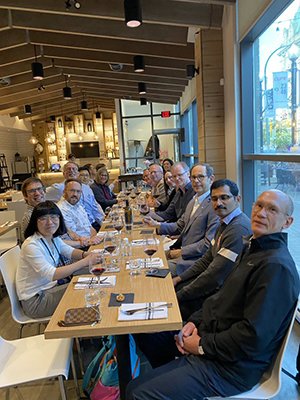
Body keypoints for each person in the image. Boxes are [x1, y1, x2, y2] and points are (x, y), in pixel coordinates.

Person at [127, 189, 299, 400]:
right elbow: (220, 298)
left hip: (230, 368)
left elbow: (251, 339)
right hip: (211, 342)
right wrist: (194, 322)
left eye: (272, 210)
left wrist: (200, 346)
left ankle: (176, 380)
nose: (261, 213)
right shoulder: (251, 248)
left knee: (136, 392)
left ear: (287, 222)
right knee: (145, 329)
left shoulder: (275, 267)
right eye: (259, 206)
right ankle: (175, 379)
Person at [174, 179, 251, 320]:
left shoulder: (238, 229)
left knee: (174, 306)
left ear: (237, 199)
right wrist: (180, 278)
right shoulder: (223, 222)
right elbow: (207, 259)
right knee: (176, 287)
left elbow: (215, 276)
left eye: (224, 197)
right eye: (214, 199)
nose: (218, 203)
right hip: (216, 286)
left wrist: (180, 295)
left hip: (224, 296)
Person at [16, 201, 102, 319]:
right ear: (35, 222)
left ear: (59, 219)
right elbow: (51, 274)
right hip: (36, 301)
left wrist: (88, 255)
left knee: (91, 281)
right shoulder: (31, 245)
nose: (49, 222)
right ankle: (88, 333)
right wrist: (85, 261)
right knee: (87, 290)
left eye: (53, 217)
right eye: (43, 218)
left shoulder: (52, 237)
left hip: (50, 290)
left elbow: (69, 251)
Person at [144, 163, 219, 276]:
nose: (196, 181)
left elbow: (208, 244)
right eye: (193, 177)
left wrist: (181, 252)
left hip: (195, 261)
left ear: (211, 179)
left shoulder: (214, 206)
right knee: (146, 263)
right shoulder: (193, 201)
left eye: (200, 177)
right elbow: (179, 226)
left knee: (152, 271)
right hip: (183, 253)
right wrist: (156, 225)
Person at [46, 161, 103, 230]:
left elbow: (94, 207)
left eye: (74, 169)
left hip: (92, 224)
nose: (71, 171)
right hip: (76, 227)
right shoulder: (57, 188)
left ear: (78, 173)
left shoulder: (87, 188)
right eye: (68, 169)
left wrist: (102, 222)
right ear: (64, 174)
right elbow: (40, 194)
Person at [57, 179, 103, 247]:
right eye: (72, 191)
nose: (75, 194)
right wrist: (91, 240)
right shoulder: (61, 209)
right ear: (64, 192)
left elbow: (90, 228)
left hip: (91, 243)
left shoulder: (79, 206)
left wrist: (97, 238)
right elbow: (73, 237)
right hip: (80, 247)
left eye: (78, 191)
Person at [21, 177, 46, 242]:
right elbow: (45, 242)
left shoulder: (44, 211)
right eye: (32, 191)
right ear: (25, 196)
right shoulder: (30, 216)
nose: (37, 193)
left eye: (39, 189)